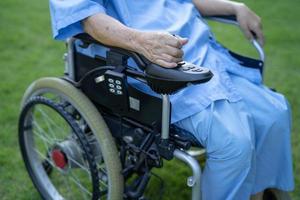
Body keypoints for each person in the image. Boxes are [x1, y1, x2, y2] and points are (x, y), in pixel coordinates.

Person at [49, 0, 294, 199]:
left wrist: (234, 7)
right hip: (150, 71)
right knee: (234, 142)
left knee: (274, 114)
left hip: (206, 57)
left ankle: (257, 192)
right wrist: (140, 42)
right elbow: (91, 21)